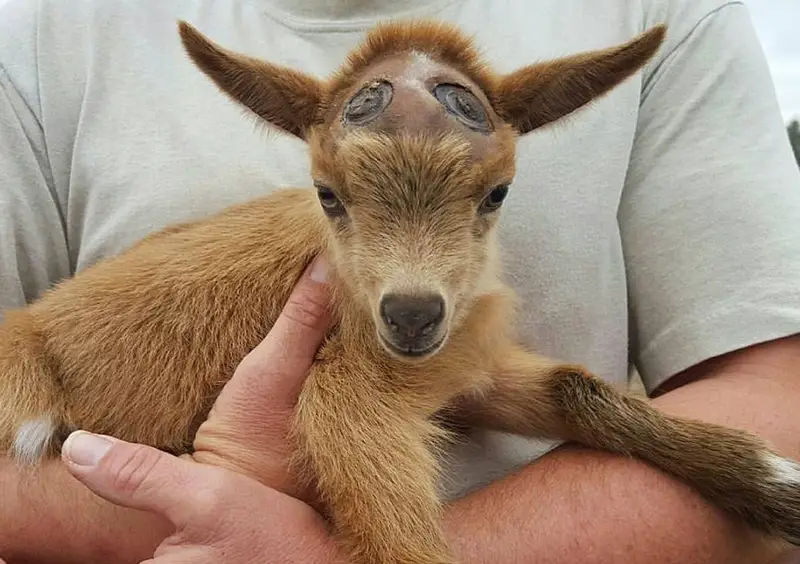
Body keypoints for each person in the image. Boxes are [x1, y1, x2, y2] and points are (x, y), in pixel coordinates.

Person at [1, 0, 799, 562]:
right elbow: (347, 406)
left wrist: (710, 457)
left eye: (485, 199)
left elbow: (772, 391)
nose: (412, 281)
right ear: (320, 178)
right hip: (40, 371)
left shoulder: (676, 16)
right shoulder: (39, 36)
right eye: (335, 202)